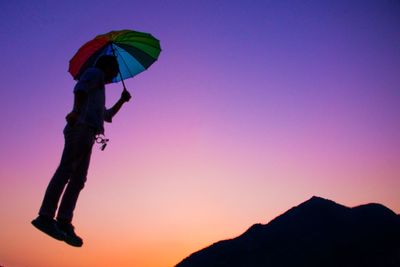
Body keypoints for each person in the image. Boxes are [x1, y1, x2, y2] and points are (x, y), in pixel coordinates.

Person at [31, 55, 131, 247]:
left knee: (78, 179)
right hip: (80, 127)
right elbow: (80, 89)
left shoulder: (100, 87)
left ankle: (63, 220)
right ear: (107, 66)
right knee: (66, 171)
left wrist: (122, 101)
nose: (116, 73)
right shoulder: (94, 73)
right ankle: (45, 216)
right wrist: (76, 112)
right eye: (115, 68)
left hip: (88, 132)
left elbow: (107, 115)